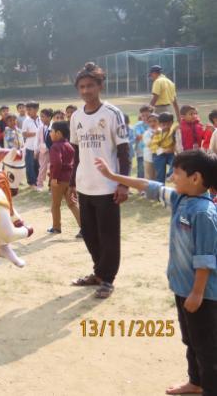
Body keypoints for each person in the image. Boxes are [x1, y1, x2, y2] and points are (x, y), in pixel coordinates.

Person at [94, 150, 217, 396]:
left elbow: (205, 260)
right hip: (183, 290)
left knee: (207, 348)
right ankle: (195, 382)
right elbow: (147, 185)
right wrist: (112, 175)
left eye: (177, 173)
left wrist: (196, 293)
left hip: (202, 295)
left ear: (195, 178)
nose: (171, 177)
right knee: (191, 340)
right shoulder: (180, 199)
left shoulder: (203, 213)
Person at [70, 62, 130, 299]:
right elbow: (77, 153)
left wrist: (123, 184)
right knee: (89, 234)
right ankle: (99, 272)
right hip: (85, 186)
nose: (86, 90)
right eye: (82, 87)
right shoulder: (76, 116)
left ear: (100, 86)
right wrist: (73, 181)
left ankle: (107, 279)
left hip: (107, 187)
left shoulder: (113, 114)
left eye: (90, 86)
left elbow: (124, 152)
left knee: (109, 237)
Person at [48, 121, 80, 235]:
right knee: (72, 203)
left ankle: (56, 227)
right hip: (70, 179)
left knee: (55, 205)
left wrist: (54, 178)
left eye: (51, 131)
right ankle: (85, 228)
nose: (50, 133)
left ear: (58, 133)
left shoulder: (55, 147)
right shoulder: (70, 146)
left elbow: (57, 162)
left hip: (59, 180)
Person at [151, 112, 177, 184]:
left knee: (175, 162)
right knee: (160, 173)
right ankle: (160, 187)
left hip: (170, 153)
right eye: (164, 125)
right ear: (159, 124)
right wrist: (163, 150)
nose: (166, 126)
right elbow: (153, 145)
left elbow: (179, 123)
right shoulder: (158, 132)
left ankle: (170, 176)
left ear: (172, 123)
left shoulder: (173, 130)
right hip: (158, 154)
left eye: (168, 124)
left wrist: (171, 149)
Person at [21, 101, 42, 189]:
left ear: (36, 109)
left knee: (38, 165)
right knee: (30, 165)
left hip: (39, 147)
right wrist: (36, 133)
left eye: (30, 109)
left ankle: (37, 181)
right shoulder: (26, 120)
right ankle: (31, 182)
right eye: (27, 110)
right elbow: (24, 134)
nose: (28, 112)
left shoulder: (41, 119)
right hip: (30, 147)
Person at [134, 105, 154, 179]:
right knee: (141, 172)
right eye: (143, 116)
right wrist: (151, 135)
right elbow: (139, 137)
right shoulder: (137, 125)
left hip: (153, 152)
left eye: (147, 115)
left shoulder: (155, 124)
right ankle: (140, 186)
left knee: (152, 173)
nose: (145, 118)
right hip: (141, 153)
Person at [36, 108, 53, 190]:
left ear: (49, 117)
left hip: (53, 151)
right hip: (43, 151)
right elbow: (37, 140)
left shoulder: (53, 127)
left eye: (43, 116)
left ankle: (51, 185)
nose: (41, 118)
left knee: (52, 168)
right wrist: (36, 151)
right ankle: (39, 184)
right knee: (42, 168)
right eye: (41, 116)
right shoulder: (40, 128)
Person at [143, 113, 158, 180]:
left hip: (159, 158)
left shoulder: (161, 131)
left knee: (158, 177)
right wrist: (154, 135)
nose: (152, 123)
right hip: (149, 158)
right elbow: (148, 144)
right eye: (150, 122)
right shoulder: (146, 133)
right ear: (147, 123)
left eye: (154, 121)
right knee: (149, 178)